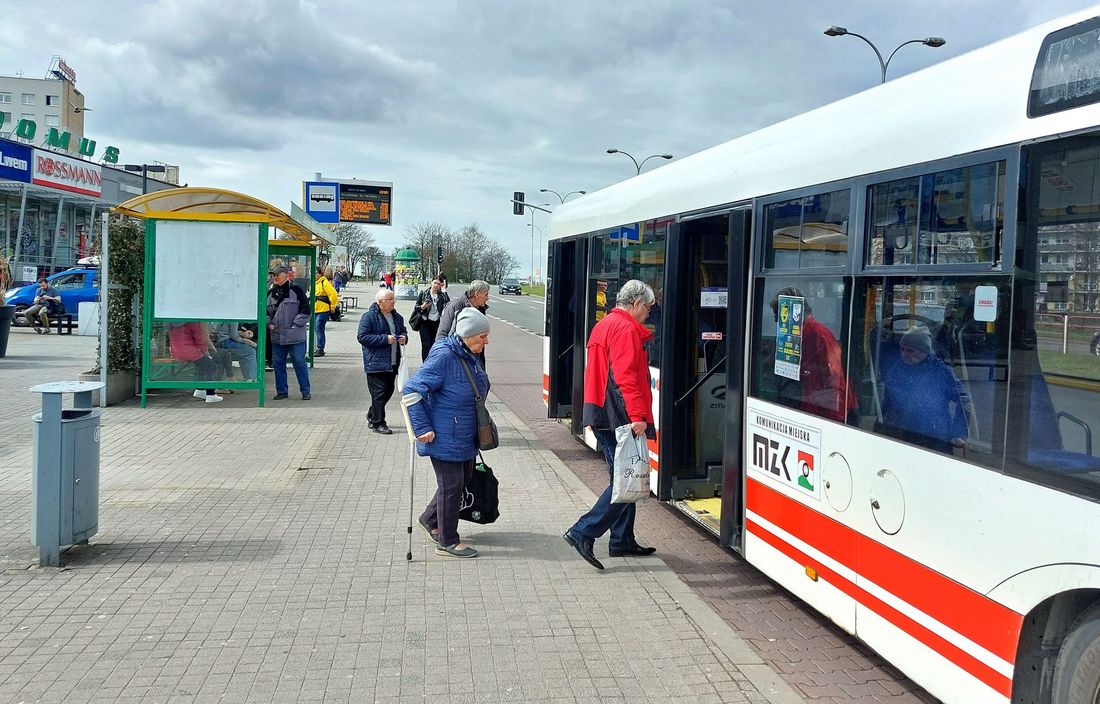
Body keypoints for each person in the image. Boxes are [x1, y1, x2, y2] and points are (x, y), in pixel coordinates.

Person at [563, 279, 658, 570]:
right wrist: (638, 416)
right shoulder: (626, 329)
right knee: (624, 479)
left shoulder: (605, 324)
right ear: (638, 304)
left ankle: (621, 540)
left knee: (624, 474)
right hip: (617, 415)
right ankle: (583, 532)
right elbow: (626, 378)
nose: (649, 314)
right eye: (649, 308)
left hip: (601, 410)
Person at [405, 307, 491, 559]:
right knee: (451, 485)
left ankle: (429, 518)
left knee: (462, 479)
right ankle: (447, 540)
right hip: (444, 433)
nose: (486, 341)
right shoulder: (444, 356)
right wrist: (422, 428)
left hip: (464, 431)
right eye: (482, 336)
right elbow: (412, 391)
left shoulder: (466, 352)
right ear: (467, 335)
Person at [769, 288, 858, 424]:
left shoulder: (818, 334)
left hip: (829, 409)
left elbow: (834, 376)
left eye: (778, 314)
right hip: (813, 404)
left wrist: (806, 370)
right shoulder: (797, 335)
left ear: (794, 312)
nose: (776, 320)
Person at [881, 325, 968, 453]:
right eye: (902, 349)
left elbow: (964, 400)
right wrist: (881, 424)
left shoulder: (940, 371)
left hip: (935, 438)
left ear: (924, 351)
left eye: (910, 351)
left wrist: (958, 432)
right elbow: (888, 399)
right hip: (902, 435)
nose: (904, 354)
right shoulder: (897, 368)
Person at [357, 287, 408, 434]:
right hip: (376, 362)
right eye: (390, 299)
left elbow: (402, 330)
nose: (393, 302)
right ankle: (379, 422)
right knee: (379, 393)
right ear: (380, 302)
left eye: (394, 299)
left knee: (388, 390)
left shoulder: (396, 317)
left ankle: (373, 414)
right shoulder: (369, 317)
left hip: (392, 361)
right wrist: (385, 339)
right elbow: (362, 337)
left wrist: (404, 337)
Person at [267, 265, 312, 401]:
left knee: (299, 362)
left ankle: (305, 391)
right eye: (273, 275)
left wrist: (295, 325)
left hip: (295, 337)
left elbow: (306, 311)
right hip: (277, 336)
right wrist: (269, 324)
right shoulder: (270, 294)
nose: (274, 277)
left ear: (286, 276)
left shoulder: (296, 291)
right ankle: (281, 392)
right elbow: (264, 312)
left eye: (277, 275)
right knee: (278, 363)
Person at [437, 280, 490, 368]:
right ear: (476, 294)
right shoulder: (455, 306)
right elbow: (442, 333)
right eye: (486, 294)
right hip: (455, 357)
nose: (487, 298)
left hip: (475, 359)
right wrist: (441, 356)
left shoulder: (480, 310)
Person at [168, 322, 223, 403]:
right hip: (189, 351)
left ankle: (200, 390)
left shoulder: (174, 322)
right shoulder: (193, 322)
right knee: (211, 366)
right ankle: (210, 394)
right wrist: (206, 353)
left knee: (203, 366)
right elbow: (200, 340)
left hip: (177, 351)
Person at [414, 275, 450, 361]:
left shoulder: (442, 295)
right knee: (426, 345)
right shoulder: (424, 293)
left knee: (434, 344)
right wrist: (422, 307)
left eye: (439, 284)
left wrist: (444, 291)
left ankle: (432, 363)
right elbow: (416, 308)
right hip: (425, 322)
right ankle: (426, 365)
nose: (436, 285)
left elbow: (449, 305)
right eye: (435, 283)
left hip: (436, 323)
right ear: (431, 282)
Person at [314, 266, 339, 357]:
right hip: (314, 309)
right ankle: (318, 347)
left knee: (319, 328)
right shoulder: (313, 283)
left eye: (316, 273)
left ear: (320, 274)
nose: (314, 275)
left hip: (323, 309)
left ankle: (320, 348)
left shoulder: (324, 282)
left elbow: (333, 294)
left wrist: (332, 307)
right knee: (316, 329)